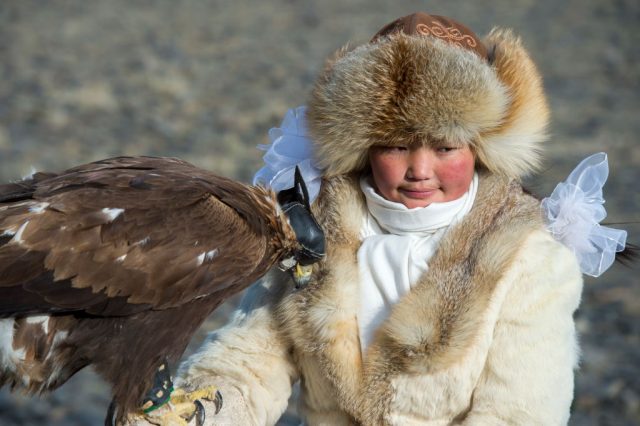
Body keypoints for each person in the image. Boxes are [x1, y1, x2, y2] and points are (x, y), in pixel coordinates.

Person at [137, 12, 629, 425]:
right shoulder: (311, 236)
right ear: (363, 147)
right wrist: (202, 411)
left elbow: (519, 413)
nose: (419, 169)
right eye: (396, 145)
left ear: (480, 149)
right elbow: (251, 360)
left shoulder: (526, 257)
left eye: (444, 147)